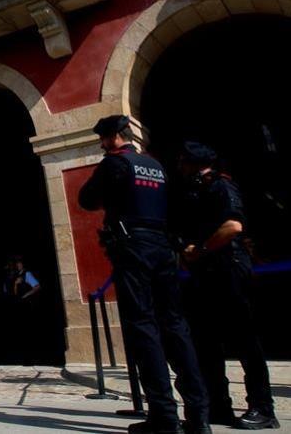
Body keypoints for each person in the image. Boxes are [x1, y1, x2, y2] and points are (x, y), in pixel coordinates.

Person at [78, 115, 211, 434]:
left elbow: (86, 199)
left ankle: (164, 415)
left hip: (133, 247)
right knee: (176, 326)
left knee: (143, 327)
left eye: (103, 139)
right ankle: (199, 414)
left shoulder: (114, 164)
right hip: (163, 248)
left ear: (113, 137)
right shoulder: (156, 166)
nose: (101, 144)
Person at [176, 142, 278, 430]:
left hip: (229, 268)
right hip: (207, 274)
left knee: (245, 341)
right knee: (206, 344)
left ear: (197, 164)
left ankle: (263, 408)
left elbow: (233, 227)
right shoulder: (198, 191)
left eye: (184, 162)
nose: (180, 168)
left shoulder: (222, 187)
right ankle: (218, 406)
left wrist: (201, 249)